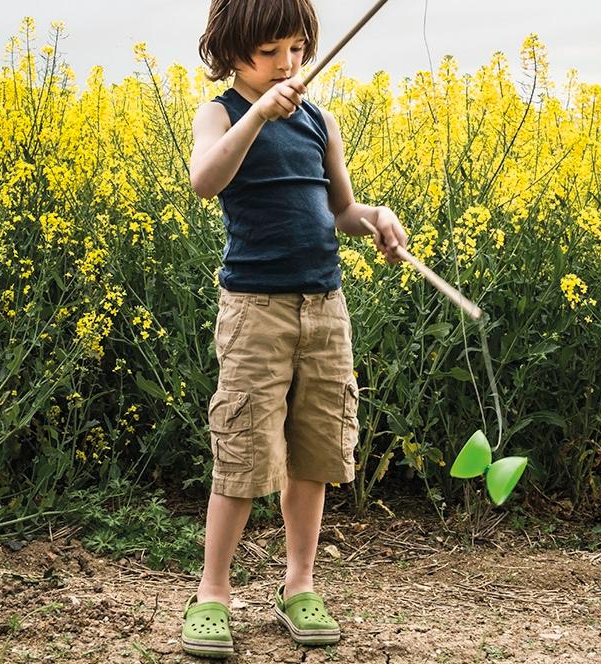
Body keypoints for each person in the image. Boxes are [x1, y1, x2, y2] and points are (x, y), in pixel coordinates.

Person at [182, 0, 408, 657]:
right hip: (255, 310)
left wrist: (378, 220)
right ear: (231, 54)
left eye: (296, 50)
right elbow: (204, 180)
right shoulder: (220, 113)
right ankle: (212, 593)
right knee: (243, 452)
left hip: (323, 308)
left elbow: (340, 211)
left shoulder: (318, 120)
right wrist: (256, 114)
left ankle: (298, 584)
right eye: (269, 53)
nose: (287, 65)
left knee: (313, 450)